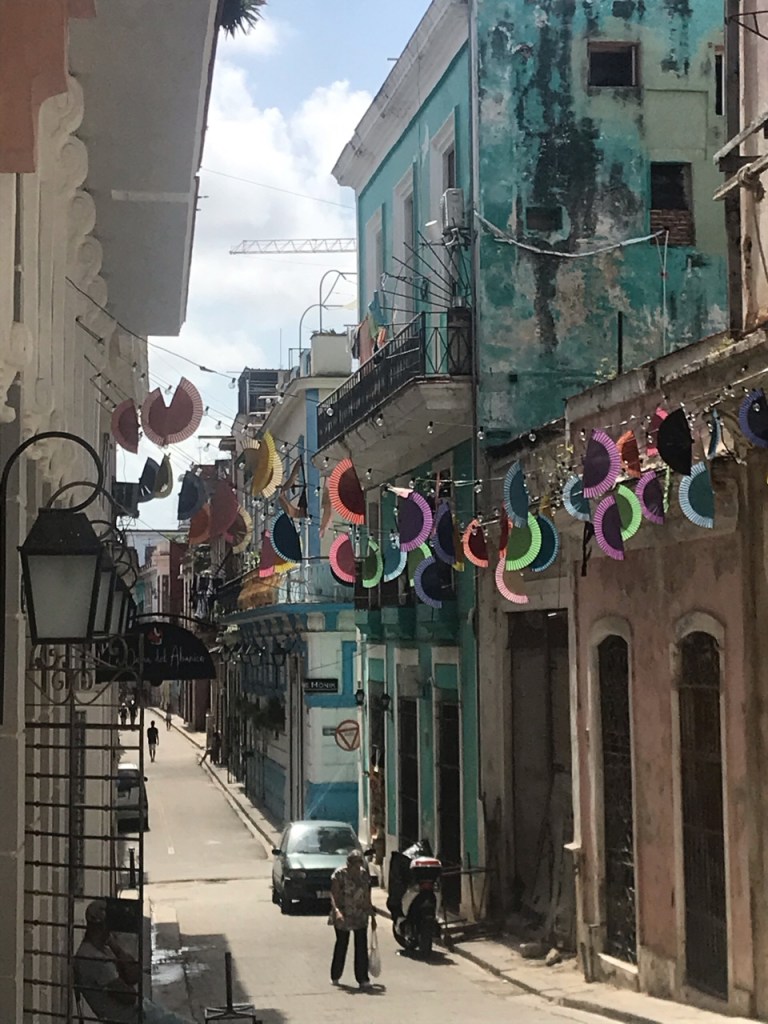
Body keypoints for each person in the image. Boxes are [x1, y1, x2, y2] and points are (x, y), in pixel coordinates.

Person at [74, 899, 193, 1023]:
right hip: (132, 1017)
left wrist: (114, 946)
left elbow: (133, 975)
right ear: (101, 924)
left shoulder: (103, 949)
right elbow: (129, 997)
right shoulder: (93, 958)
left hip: (141, 1010)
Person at [329, 848, 376, 988]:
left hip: (360, 914)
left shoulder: (364, 875)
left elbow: (367, 895)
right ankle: (335, 975)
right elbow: (334, 896)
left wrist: (371, 913)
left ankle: (362, 979)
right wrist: (337, 912)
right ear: (348, 864)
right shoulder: (339, 875)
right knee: (342, 944)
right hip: (343, 914)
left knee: (361, 946)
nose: (357, 868)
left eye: (359, 864)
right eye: (355, 865)